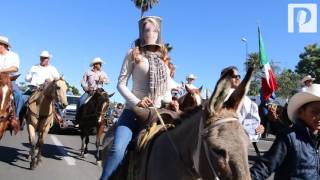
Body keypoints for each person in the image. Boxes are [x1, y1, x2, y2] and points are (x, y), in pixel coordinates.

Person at [100, 16, 177, 180]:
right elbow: (120, 84)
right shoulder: (133, 54)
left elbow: (165, 89)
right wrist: (137, 101)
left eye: (154, 30)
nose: (150, 33)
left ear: (158, 34)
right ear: (141, 32)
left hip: (156, 114)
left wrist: (171, 101)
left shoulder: (163, 60)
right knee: (118, 149)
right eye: (146, 29)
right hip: (133, 112)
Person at [250, 84, 320, 180]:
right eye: (315, 112)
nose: (319, 117)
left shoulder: (317, 140)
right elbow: (264, 167)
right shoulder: (289, 137)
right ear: (300, 112)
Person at [221, 66, 264, 155]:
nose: (237, 78)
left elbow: (252, 123)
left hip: (239, 147)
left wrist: (259, 128)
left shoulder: (249, 102)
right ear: (224, 79)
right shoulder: (218, 100)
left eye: (239, 76)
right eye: (234, 76)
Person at [0, 35, 23, 133]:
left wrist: (2, 70)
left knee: (19, 95)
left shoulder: (14, 55)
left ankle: (15, 117)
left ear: (4, 45)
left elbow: (15, 68)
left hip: (9, 80)